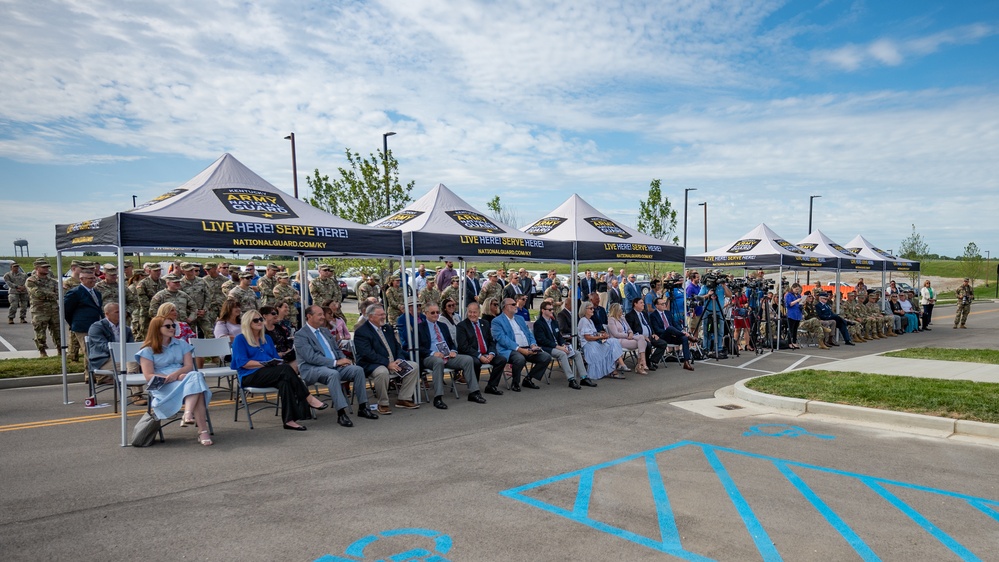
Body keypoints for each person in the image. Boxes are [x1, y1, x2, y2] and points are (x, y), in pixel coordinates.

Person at [231, 310, 326, 431]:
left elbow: (275, 357)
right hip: (249, 375)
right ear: (247, 322)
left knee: (285, 382)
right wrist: (263, 364)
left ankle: (289, 421)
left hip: (269, 373)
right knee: (286, 370)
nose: (260, 322)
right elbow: (242, 363)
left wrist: (275, 361)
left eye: (261, 319)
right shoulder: (240, 339)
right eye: (256, 320)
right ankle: (308, 398)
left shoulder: (266, 338)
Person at [295, 305, 377, 427]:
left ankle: (363, 407)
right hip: (313, 369)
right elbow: (310, 357)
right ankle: (341, 413)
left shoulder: (325, 331)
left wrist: (343, 359)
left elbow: (336, 349)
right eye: (319, 315)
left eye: (323, 314)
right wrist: (334, 363)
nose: (323, 317)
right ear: (309, 316)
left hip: (334, 366)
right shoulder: (301, 335)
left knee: (358, 370)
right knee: (333, 374)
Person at [136, 316, 213, 445]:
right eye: (168, 326)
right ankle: (202, 431)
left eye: (173, 326)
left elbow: (188, 366)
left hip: (184, 379)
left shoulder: (182, 344)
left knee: (195, 376)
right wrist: (174, 377)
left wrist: (177, 374)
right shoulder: (147, 350)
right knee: (196, 384)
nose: (172, 328)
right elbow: (149, 376)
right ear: (157, 328)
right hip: (164, 385)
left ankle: (188, 414)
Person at [353, 303, 420, 413]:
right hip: (372, 364)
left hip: (393, 362)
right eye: (380, 315)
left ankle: (404, 398)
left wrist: (399, 359)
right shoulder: (362, 332)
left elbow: (397, 346)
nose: (384, 316)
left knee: (413, 366)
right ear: (370, 316)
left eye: (384, 314)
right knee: (382, 372)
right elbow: (367, 353)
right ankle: (383, 403)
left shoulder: (387, 328)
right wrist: (387, 363)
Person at [420, 303, 482, 407]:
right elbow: (418, 347)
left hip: (447, 355)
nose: (435, 314)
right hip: (430, 357)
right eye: (432, 312)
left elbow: (451, 342)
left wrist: (453, 350)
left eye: (437, 312)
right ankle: (438, 397)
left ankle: (474, 392)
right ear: (426, 313)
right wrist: (433, 353)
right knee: (438, 362)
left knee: (468, 359)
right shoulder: (420, 328)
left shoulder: (442, 326)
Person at [492, 297, 551, 391]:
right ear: (505, 307)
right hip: (511, 349)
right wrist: (519, 349)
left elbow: (529, 333)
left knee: (546, 357)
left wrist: (533, 345)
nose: (516, 306)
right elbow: (503, 339)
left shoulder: (520, 318)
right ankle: (515, 383)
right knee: (520, 359)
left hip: (527, 348)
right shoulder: (497, 321)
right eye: (513, 304)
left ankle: (528, 378)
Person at [534, 300, 595, 388]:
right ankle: (571, 379)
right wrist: (558, 347)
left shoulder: (554, 322)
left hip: (558, 346)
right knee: (562, 354)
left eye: (552, 309)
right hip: (547, 347)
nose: (552, 311)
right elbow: (542, 340)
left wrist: (563, 344)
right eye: (550, 310)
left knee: (576, 353)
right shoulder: (538, 324)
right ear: (543, 310)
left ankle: (584, 378)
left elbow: (559, 336)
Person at [86, 303, 136, 385]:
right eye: (117, 312)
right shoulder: (97, 327)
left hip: (123, 358)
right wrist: (122, 352)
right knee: (132, 364)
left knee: (137, 360)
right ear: (107, 314)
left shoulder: (126, 329)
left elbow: (131, 346)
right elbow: (103, 347)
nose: (121, 314)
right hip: (103, 360)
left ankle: (131, 382)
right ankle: (135, 390)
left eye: (122, 311)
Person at [63, 269, 103, 366]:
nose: (93, 280)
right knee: (88, 351)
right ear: (82, 279)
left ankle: (89, 376)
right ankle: (95, 375)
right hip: (83, 327)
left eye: (94, 278)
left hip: (96, 326)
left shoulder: (97, 293)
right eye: (90, 278)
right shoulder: (75, 293)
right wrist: (74, 323)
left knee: (93, 351)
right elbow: (66, 310)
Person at [578, 301, 627, 379]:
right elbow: (587, 337)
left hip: (594, 343)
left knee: (613, 341)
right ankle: (618, 367)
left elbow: (593, 334)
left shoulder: (590, 320)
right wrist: (600, 337)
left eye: (593, 308)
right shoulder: (583, 320)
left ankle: (618, 366)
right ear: (585, 310)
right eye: (591, 308)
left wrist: (601, 334)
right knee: (612, 344)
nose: (593, 310)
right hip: (589, 345)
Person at [648, 297, 696, 371]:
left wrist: (681, 330)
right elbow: (657, 329)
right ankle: (689, 336)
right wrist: (669, 331)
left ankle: (686, 362)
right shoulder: (653, 315)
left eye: (664, 303)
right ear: (656, 306)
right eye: (662, 304)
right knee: (669, 328)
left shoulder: (668, 313)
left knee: (684, 338)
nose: (664, 305)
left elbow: (675, 324)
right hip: (663, 336)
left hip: (674, 335)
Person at [607, 302, 648, 374]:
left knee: (642, 338)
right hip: (618, 340)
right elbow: (615, 334)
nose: (622, 311)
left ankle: (641, 364)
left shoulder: (622, 318)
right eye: (620, 310)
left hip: (628, 337)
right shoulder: (611, 320)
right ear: (616, 311)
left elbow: (629, 329)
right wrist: (627, 335)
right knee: (643, 343)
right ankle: (641, 364)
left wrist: (631, 333)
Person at [626, 298, 667, 370]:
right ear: (635, 304)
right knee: (648, 344)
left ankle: (652, 361)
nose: (643, 304)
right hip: (640, 338)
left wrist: (653, 333)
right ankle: (647, 363)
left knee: (663, 343)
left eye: (643, 302)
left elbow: (649, 325)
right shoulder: (630, 315)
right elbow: (630, 330)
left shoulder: (644, 313)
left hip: (650, 336)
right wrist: (642, 336)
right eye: (641, 303)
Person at [178, 263, 212, 338]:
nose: (191, 272)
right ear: (183, 271)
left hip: (202, 312)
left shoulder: (202, 281)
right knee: (190, 335)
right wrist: (189, 314)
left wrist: (204, 309)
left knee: (209, 332)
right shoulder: (180, 283)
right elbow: (180, 300)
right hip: (189, 314)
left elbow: (208, 296)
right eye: (189, 270)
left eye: (192, 270)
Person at [260, 304, 297, 372]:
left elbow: (286, 341)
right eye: (273, 313)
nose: (276, 315)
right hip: (272, 358)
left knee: (296, 364)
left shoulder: (278, 327)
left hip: (286, 355)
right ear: (265, 316)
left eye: (276, 313)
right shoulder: (261, 330)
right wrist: (277, 354)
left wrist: (287, 350)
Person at [134, 263, 166, 339]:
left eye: (159, 270)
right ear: (149, 271)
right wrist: (154, 312)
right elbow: (143, 301)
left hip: (162, 313)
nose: (158, 273)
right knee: (145, 335)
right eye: (155, 271)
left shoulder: (163, 282)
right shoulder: (143, 283)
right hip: (147, 313)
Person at [784, 283, 804, 350]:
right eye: (796, 289)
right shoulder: (789, 295)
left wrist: (802, 303)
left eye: (798, 289)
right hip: (791, 314)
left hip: (798, 314)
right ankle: (789, 343)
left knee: (795, 329)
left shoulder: (798, 295)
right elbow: (789, 304)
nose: (797, 291)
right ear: (792, 288)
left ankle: (794, 342)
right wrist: (796, 301)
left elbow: (800, 304)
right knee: (791, 329)